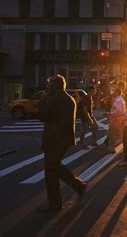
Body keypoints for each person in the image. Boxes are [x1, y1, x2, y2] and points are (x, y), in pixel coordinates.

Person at [37, 75, 86, 213]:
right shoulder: (69, 99)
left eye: (50, 84)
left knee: (50, 171)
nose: (47, 87)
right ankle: (78, 186)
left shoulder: (55, 99)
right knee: (55, 166)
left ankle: (55, 203)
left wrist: (43, 101)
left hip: (54, 139)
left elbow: (42, 116)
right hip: (64, 139)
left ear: (55, 86)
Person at [108, 88, 126, 154]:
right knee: (119, 133)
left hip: (116, 118)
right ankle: (125, 146)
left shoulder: (117, 100)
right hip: (120, 118)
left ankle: (111, 149)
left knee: (111, 133)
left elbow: (119, 110)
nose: (113, 93)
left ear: (117, 93)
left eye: (114, 92)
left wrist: (111, 114)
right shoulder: (121, 99)